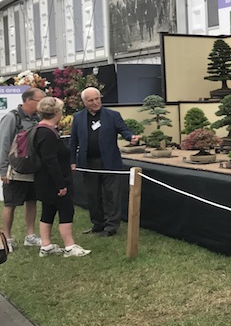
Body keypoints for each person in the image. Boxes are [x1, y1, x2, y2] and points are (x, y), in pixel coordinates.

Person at [69, 87, 139, 237]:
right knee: (92, 195)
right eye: (91, 100)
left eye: (97, 98)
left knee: (112, 194)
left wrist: (131, 138)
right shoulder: (78, 117)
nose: (95, 102)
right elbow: (73, 141)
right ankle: (98, 223)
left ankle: (111, 226)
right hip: (88, 163)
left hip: (109, 162)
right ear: (84, 102)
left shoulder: (113, 115)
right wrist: (72, 161)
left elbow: (124, 130)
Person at [34, 97, 91, 258]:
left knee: (48, 210)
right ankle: (69, 246)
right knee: (66, 210)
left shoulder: (40, 130)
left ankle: (46, 246)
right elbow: (51, 161)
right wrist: (61, 184)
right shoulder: (47, 134)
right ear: (56, 112)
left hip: (44, 180)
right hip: (55, 180)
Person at [0, 87, 44, 251]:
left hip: (32, 168)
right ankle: (7, 238)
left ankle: (30, 236)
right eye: (40, 101)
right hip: (14, 169)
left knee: (31, 201)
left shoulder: (37, 119)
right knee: (10, 204)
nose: (42, 104)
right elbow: (3, 144)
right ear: (28, 100)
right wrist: (3, 170)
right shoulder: (12, 117)